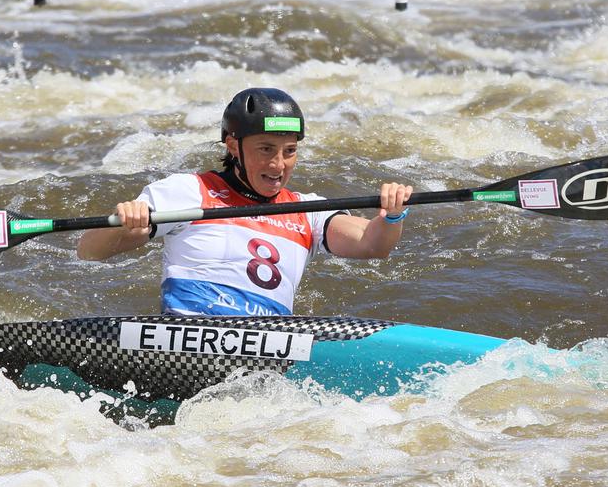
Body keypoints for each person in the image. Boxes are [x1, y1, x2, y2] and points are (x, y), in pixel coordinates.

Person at [78, 87, 413, 317]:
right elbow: (90, 250)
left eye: (289, 151)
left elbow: (372, 244)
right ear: (234, 146)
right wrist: (126, 224)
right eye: (265, 149)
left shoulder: (306, 210)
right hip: (187, 334)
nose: (278, 165)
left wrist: (391, 216)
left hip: (266, 348)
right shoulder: (189, 191)